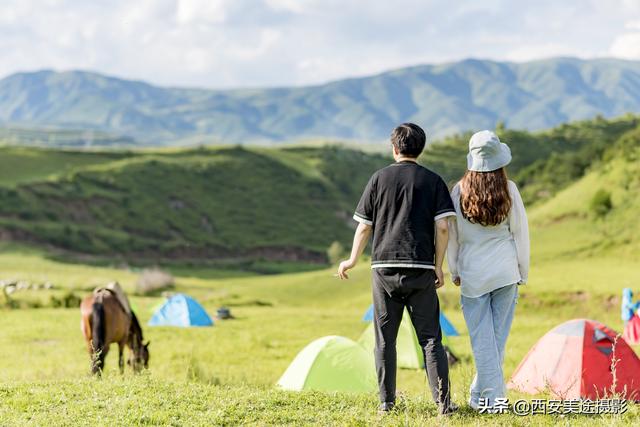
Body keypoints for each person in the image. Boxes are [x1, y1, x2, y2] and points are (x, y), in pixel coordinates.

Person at [337, 123, 457, 415]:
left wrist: (351, 260)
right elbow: (443, 227)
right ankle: (443, 404)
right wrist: (438, 265)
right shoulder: (433, 181)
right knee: (430, 339)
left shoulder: (379, 178)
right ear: (421, 148)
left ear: (394, 148)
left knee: (385, 339)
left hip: (384, 268)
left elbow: (364, 227)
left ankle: (386, 403)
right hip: (420, 268)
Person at [447, 130, 530, 411]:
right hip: (506, 271)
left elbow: (453, 236)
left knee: (483, 340)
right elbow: (521, 234)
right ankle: (490, 401)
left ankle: (484, 399)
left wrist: (453, 269)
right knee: (495, 340)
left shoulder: (458, 191)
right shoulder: (510, 189)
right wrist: (523, 270)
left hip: (472, 274)